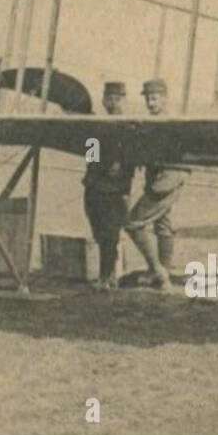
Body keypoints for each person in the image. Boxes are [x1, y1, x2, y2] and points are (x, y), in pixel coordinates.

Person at [127, 77, 186, 284]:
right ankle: (163, 272)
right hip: (161, 179)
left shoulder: (166, 122)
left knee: (132, 222)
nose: (150, 103)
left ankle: (157, 271)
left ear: (165, 98)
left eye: (154, 99)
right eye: (148, 100)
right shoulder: (153, 122)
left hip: (164, 181)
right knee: (162, 224)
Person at [82, 81, 136, 292]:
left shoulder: (128, 127)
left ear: (124, 100)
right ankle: (109, 275)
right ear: (103, 100)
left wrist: (116, 168)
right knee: (98, 230)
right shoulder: (97, 126)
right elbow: (90, 155)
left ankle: (107, 277)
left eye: (116, 98)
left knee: (110, 233)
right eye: (109, 98)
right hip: (95, 185)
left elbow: (128, 159)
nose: (112, 103)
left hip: (114, 188)